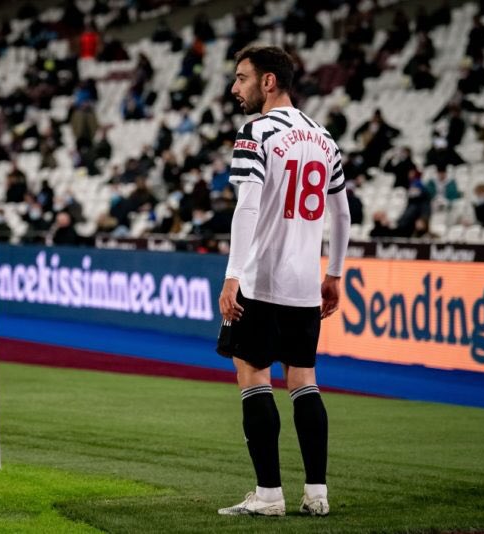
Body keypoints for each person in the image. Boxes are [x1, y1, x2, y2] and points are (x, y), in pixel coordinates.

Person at [215, 46, 350, 518]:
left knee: (253, 376)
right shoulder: (323, 136)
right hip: (302, 283)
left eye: (240, 78)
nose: (235, 89)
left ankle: (268, 495)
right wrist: (333, 273)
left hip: (261, 278)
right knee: (304, 380)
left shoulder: (256, 131)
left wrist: (233, 275)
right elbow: (342, 211)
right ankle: (317, 494)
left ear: (268, 81)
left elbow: (247, 206)